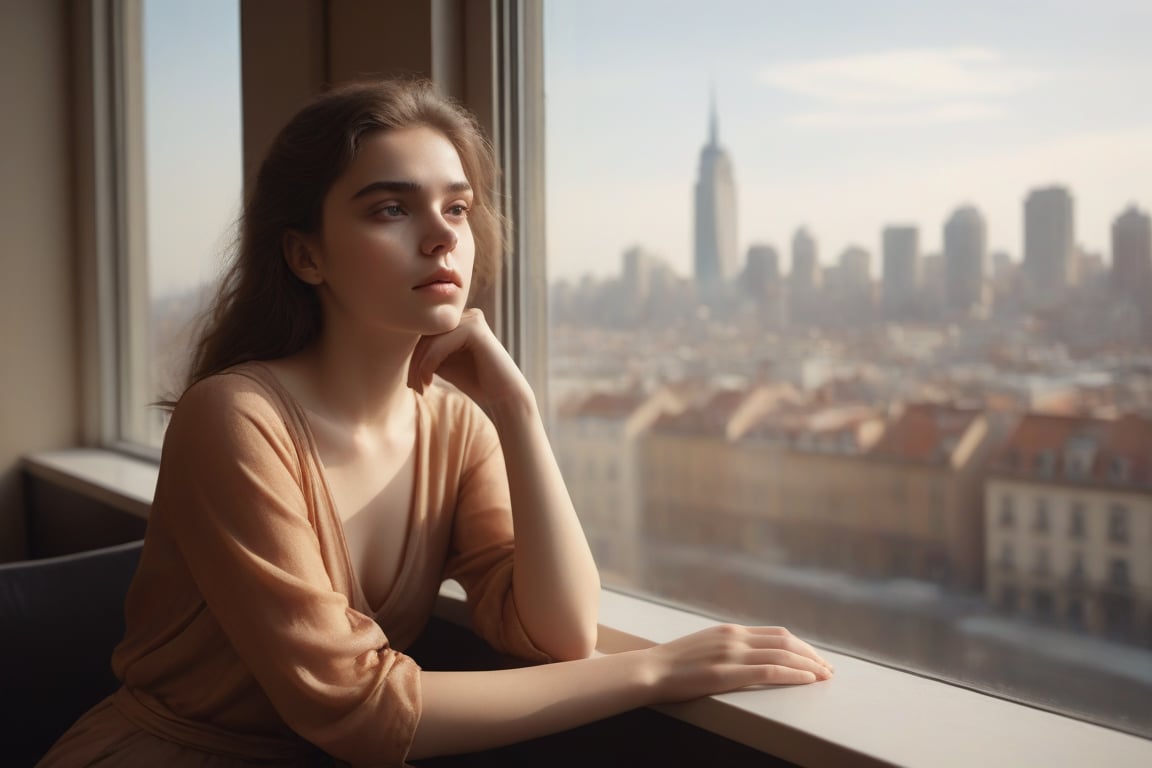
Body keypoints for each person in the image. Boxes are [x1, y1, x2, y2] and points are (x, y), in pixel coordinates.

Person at [38, 77, 833, 768]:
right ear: (305, 256)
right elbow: (357, 707)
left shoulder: (457, 426)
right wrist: (657, 670)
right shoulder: (236, 419)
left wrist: (517, 413)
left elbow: (555, 633)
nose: (443, 233)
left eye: (457, 206)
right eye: (391, 207)